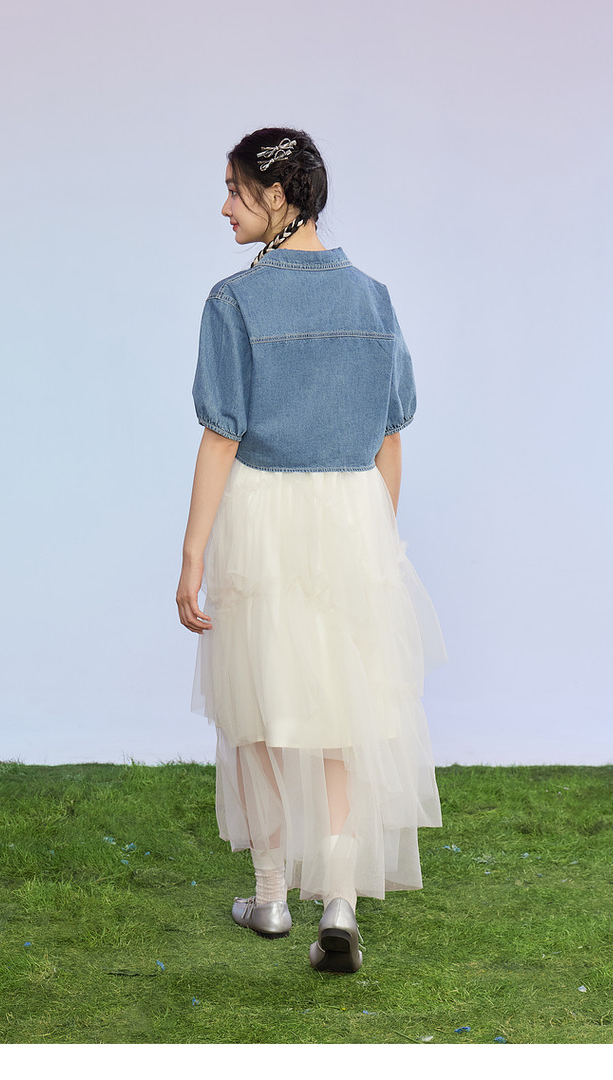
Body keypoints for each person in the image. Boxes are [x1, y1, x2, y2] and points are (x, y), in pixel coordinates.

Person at [176, 127, 448, 974]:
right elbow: (392, 434)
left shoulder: (235, 301)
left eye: (235, 190)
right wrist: (376, 537)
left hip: (264, 512)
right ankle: (338, 897)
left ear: (277, 196)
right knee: (342, 710)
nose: (224, 207)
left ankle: (269, 896)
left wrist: (191, 555)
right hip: (354, 512)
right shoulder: (374, 299)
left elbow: (221, 436)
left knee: (257, 704)